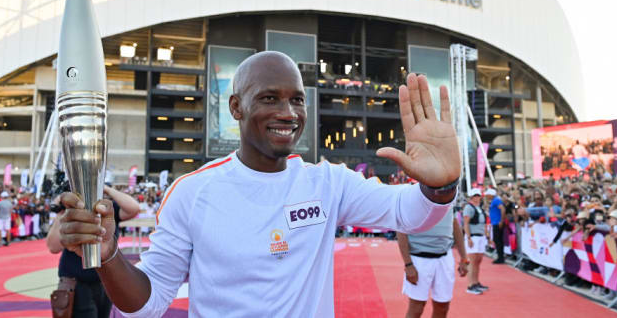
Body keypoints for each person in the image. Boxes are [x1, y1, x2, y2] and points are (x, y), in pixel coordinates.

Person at [57, 52, 461, 317]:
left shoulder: (328, 182)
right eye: (270, 99)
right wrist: (108, 255)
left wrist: (441, 186)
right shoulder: (194, 192)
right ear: (237, 107)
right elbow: (148, 302)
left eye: (297, 100)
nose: (288, 113)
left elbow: (410, 213)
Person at [47, 184, 140, 318]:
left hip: (105, 282)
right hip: (77, 283)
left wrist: (106, 188)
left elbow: (134, 208)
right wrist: (63, 210)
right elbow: (53, 247)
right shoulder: (72, 211)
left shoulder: (105, 209)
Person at [397, 207, 469, 318]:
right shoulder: (413, 198)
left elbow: (455, 226)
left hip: (445, 258)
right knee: (417, 307)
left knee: (443, 306)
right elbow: (401, 232)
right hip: (419, 259)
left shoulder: (449, 198)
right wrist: (408, 264)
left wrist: (464, 258)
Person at [462, 188, 489, 293]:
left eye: (478, 196)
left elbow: (484, 223)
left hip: (481, 236)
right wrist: (468, 237)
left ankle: (476, 282)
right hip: (473, 236)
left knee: (478, 261)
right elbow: (466, 223)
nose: (477, 198)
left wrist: (486, 235)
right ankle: (470, 285)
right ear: (471, 197)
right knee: (472, 262)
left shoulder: (480, 208)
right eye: (475, 196)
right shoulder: (468, 208)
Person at [486, 188, 506, 264]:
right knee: (498, 240)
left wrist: (501, 220)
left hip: (497, 223)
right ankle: (500, 257)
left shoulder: (496, 200)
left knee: (498, 240)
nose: (487, 196)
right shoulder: (495, 200)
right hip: (496, 222)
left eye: (488, 195)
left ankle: (500, 258)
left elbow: (502, 209)